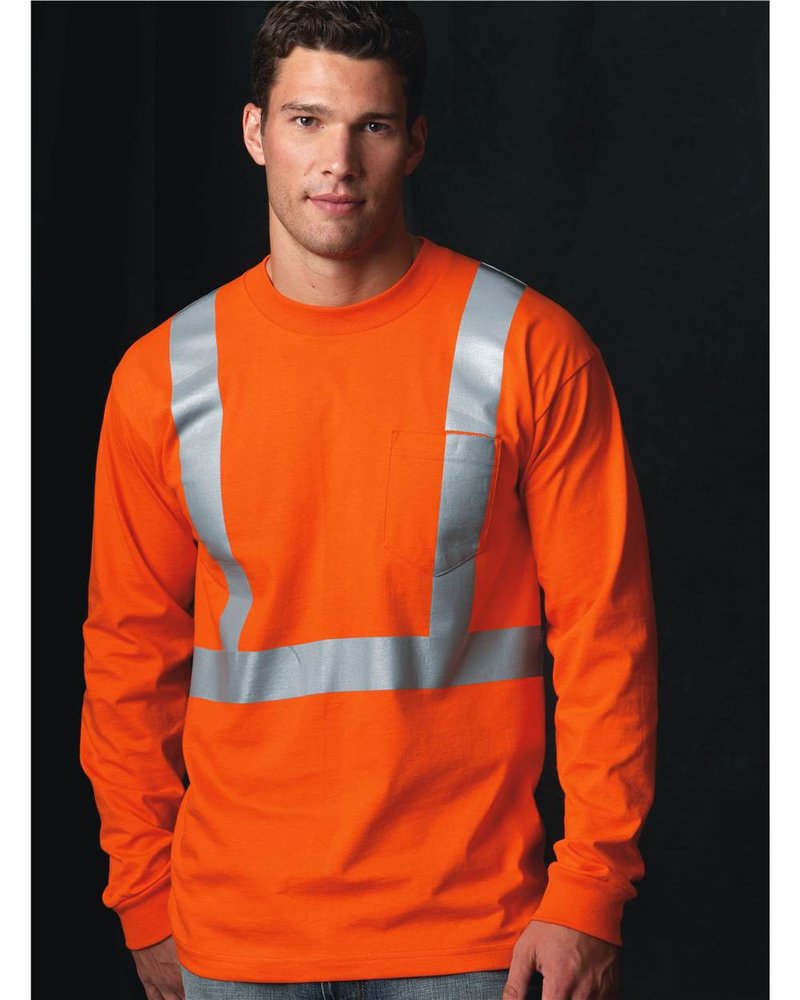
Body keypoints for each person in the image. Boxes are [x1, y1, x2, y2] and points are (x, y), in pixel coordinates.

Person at [79, 3, 658, 999]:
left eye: (372, 126)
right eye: (306, 121)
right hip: (234, 937)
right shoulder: (162, 378)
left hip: (472, 936)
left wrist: (589, 891)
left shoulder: (528, 349)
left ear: (414, 141)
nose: (337, 161)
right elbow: (129, 657)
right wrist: (140, 893)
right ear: (255, 131)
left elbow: (607, 635)